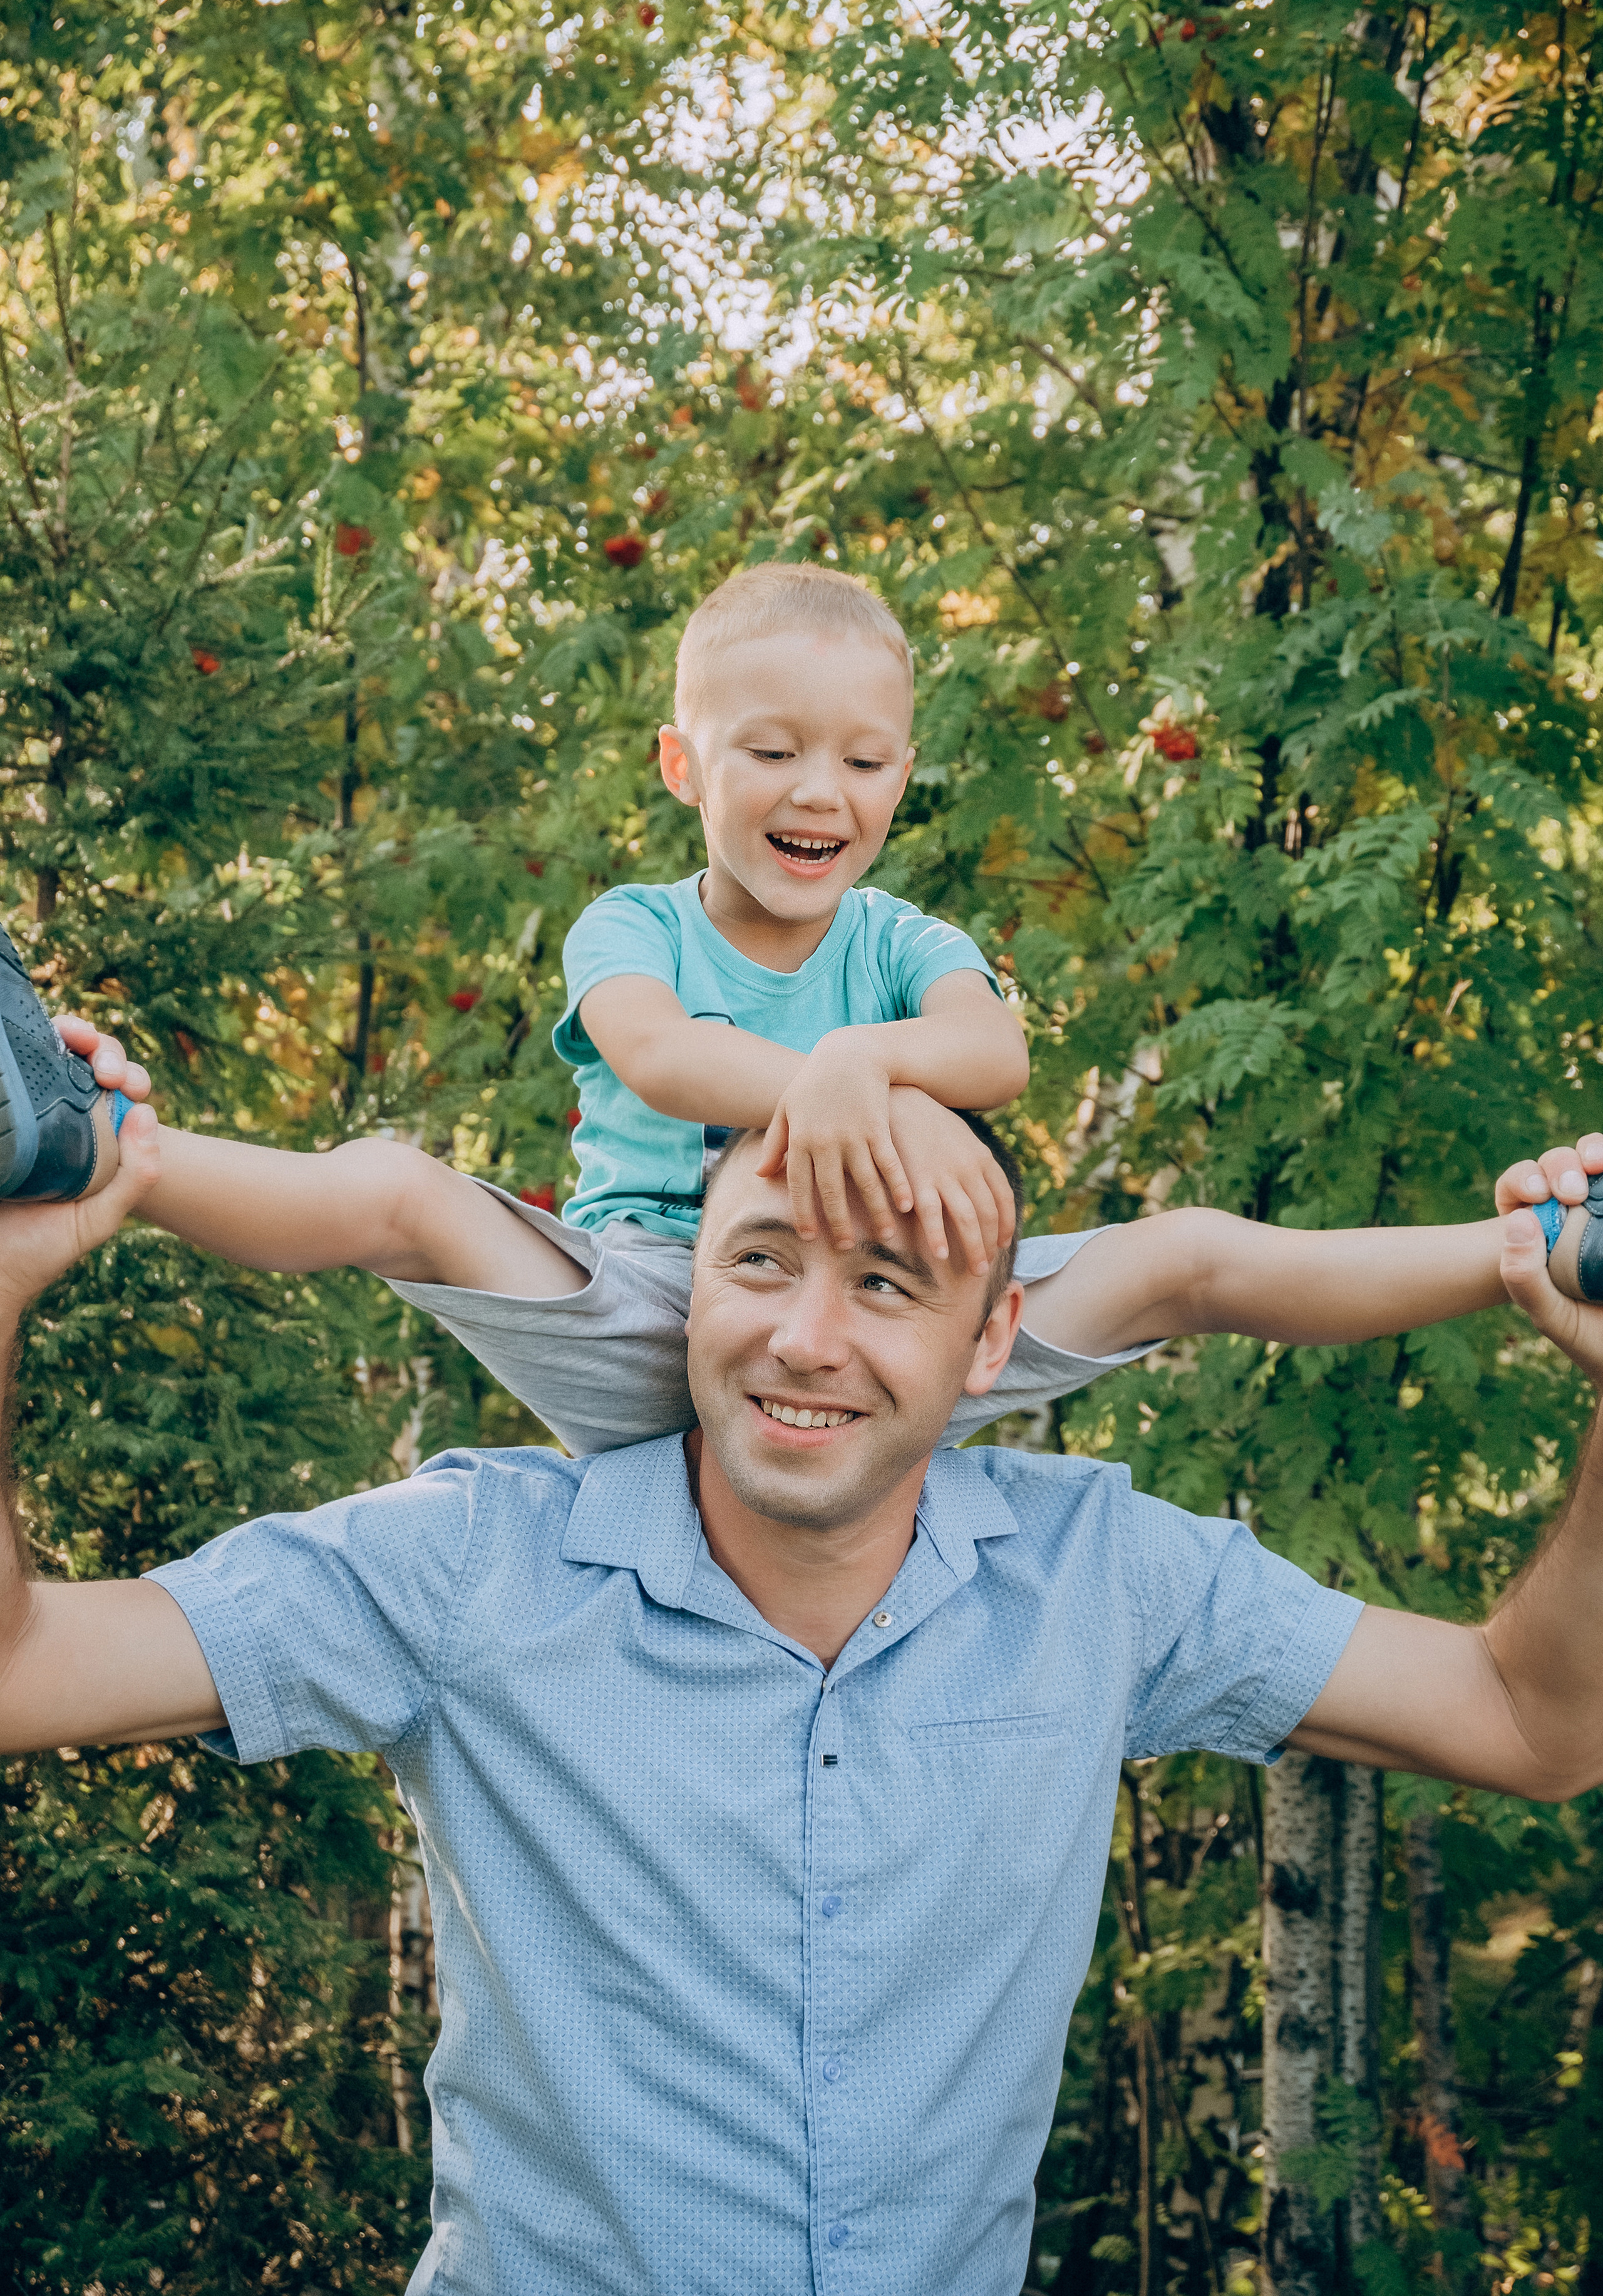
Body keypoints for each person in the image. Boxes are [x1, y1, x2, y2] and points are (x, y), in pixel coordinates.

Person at [4, 1105, 1603, 2295]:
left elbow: (1531, 1725)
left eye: (888, 1284)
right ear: (687, 1291)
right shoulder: (468, 1565)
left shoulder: (1103, 1580)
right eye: (756, 1261)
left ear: (993, 1344)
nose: (803, 1336)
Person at [28, 562, 1603, 1460]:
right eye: (771, 749)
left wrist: (859, 1056)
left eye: (862, 761)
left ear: (900, 778)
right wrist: (828, 1089)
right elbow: (655, 1053)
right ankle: (91, 1143)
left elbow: (994, 1048)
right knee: (392, 1189)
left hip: (903, 1306)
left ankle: (1533, 1253)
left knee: (1180, 1257)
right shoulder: (629, 924)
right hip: (647, 1298)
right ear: (681, 768)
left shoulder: (902, 937)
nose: (817, 791)